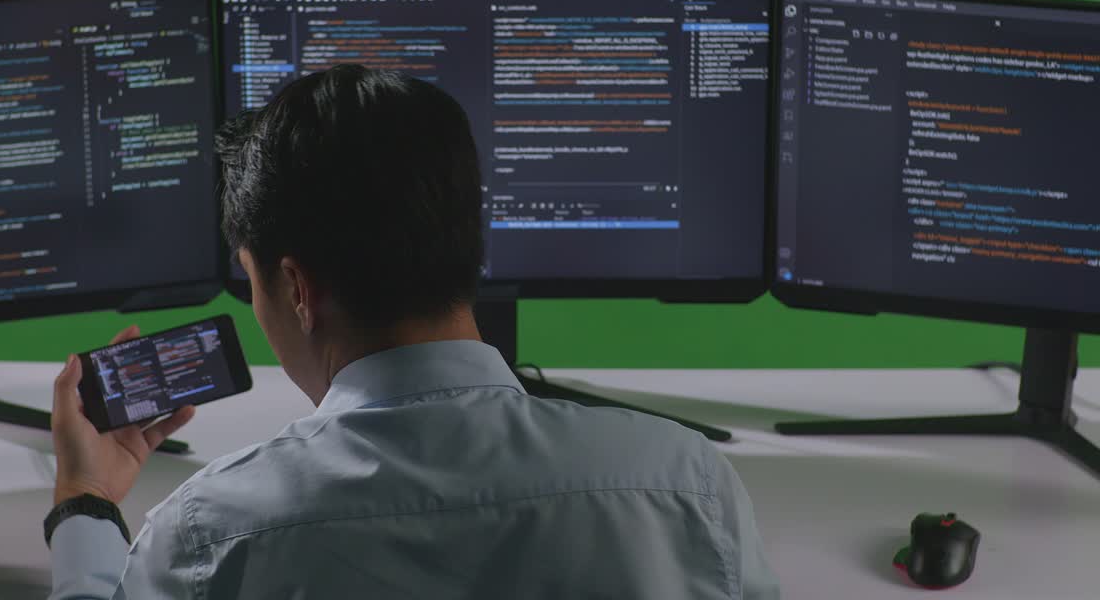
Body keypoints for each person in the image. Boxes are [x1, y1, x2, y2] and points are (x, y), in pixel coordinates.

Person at [45, 64, 781, 599]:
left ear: (297, 289)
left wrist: (86, 497)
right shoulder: (689, 487)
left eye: (253, 279)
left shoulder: (212, 530)